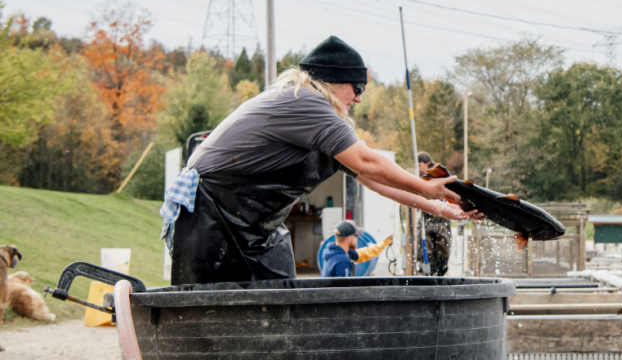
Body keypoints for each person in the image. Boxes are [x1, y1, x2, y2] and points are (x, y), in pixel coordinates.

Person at [161, 36, 483, 285]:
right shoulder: (304, 100)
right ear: (332, 81)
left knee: (281, 313)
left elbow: (375, 181)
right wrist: (430, 189)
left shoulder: (326, 120)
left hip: (259, 229)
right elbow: (368, 162)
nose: (358, 98)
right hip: (210, 216)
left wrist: (443, 208)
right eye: (356, 88)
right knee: (213, 320)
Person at [416, 152, 453, 276]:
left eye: (420, 165)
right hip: (425, 217)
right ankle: (426, 271)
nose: (419, 168)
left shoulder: (439, 175)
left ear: (427, 164)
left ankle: (441, 270)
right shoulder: (419, 178)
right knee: (425, 248)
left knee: (443, 248)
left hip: (442, 217)